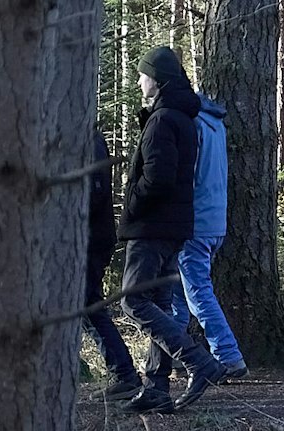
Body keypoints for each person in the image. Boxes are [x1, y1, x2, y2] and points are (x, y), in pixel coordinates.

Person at [119, 47, 225, 412]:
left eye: (142, 75)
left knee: (134, 300)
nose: (139, 81)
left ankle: (197, 361)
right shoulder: (181, 117)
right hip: (174, 226)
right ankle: (157, 388)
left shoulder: (163, 120)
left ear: (157, 79)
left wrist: (132, 206)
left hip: (152, 227)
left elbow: (158, 179)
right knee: (161, 302)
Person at [169, 83, 248, 380]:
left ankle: (228, 356)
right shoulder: (215, 123)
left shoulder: (193, 124)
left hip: (196, 222)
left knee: (197, 292)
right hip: (213, 220)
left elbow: (187, 175)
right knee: (177, 292)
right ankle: (174, 354)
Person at [85, 128, 143, 398]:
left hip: (90, 239)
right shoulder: (77, 136)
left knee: (86, 307)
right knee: (86, 308)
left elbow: (93, 192)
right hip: (86, 237)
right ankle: (124, 374)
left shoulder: (88, 139)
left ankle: (125, 374)